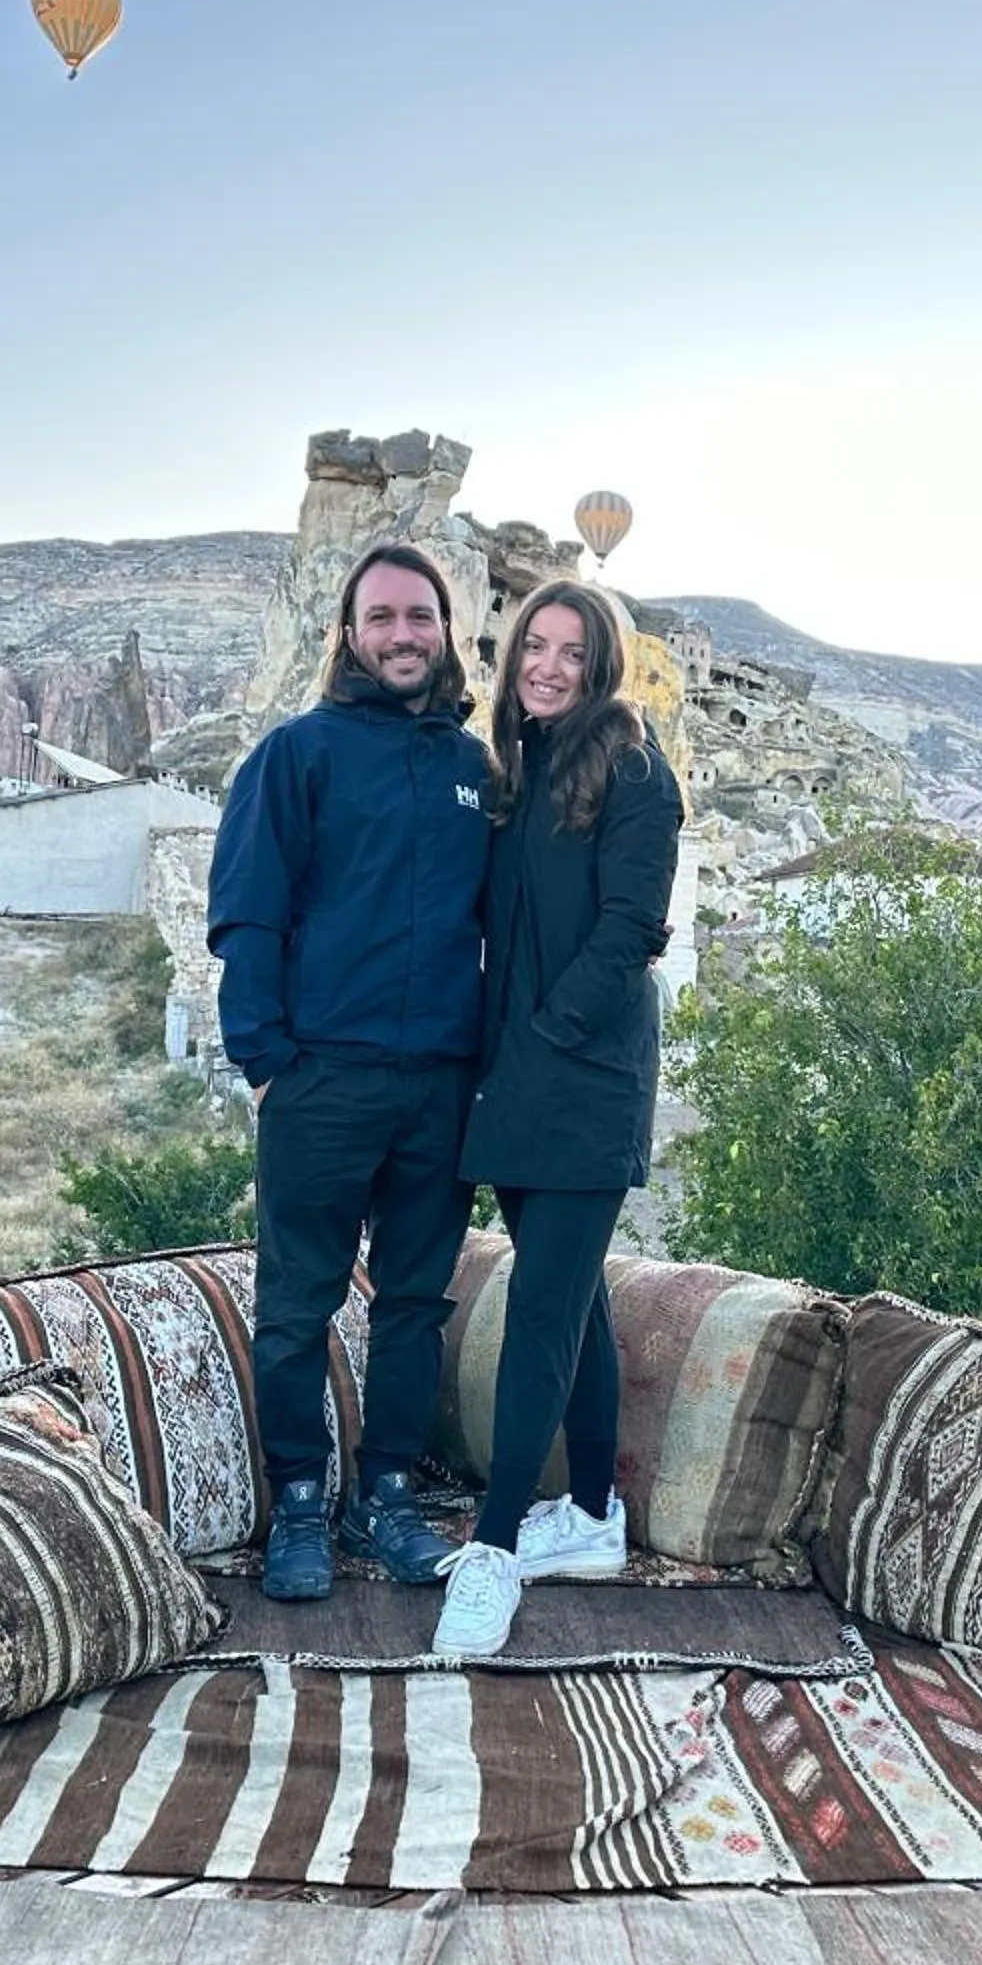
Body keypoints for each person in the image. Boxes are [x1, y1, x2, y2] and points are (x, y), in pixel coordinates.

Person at [208, 544, 490, 1602]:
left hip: (440, 1089)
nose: (403, 635)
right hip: (321, 1080)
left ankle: (389, 1504)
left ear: (445, 633)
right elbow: (245, 913)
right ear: (350, 632)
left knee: (414, 1306)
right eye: (383, 618)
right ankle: (297, 1509)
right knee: (296, 1308)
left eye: (421, 617)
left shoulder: (474, 771)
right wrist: (268, 1067)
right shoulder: (297, 754)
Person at [432, 579, 683, 1659]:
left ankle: (493, 1551)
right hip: (517, 1077)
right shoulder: (524, 770)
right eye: (531, 645)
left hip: (581, 1080)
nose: (545, 665)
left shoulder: (631, 766)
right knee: (571, 1301)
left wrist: (548, 1032)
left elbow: (632, 925)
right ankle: (588, 1517)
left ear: (601, 665)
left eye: (569, 652)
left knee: (541, 1304)